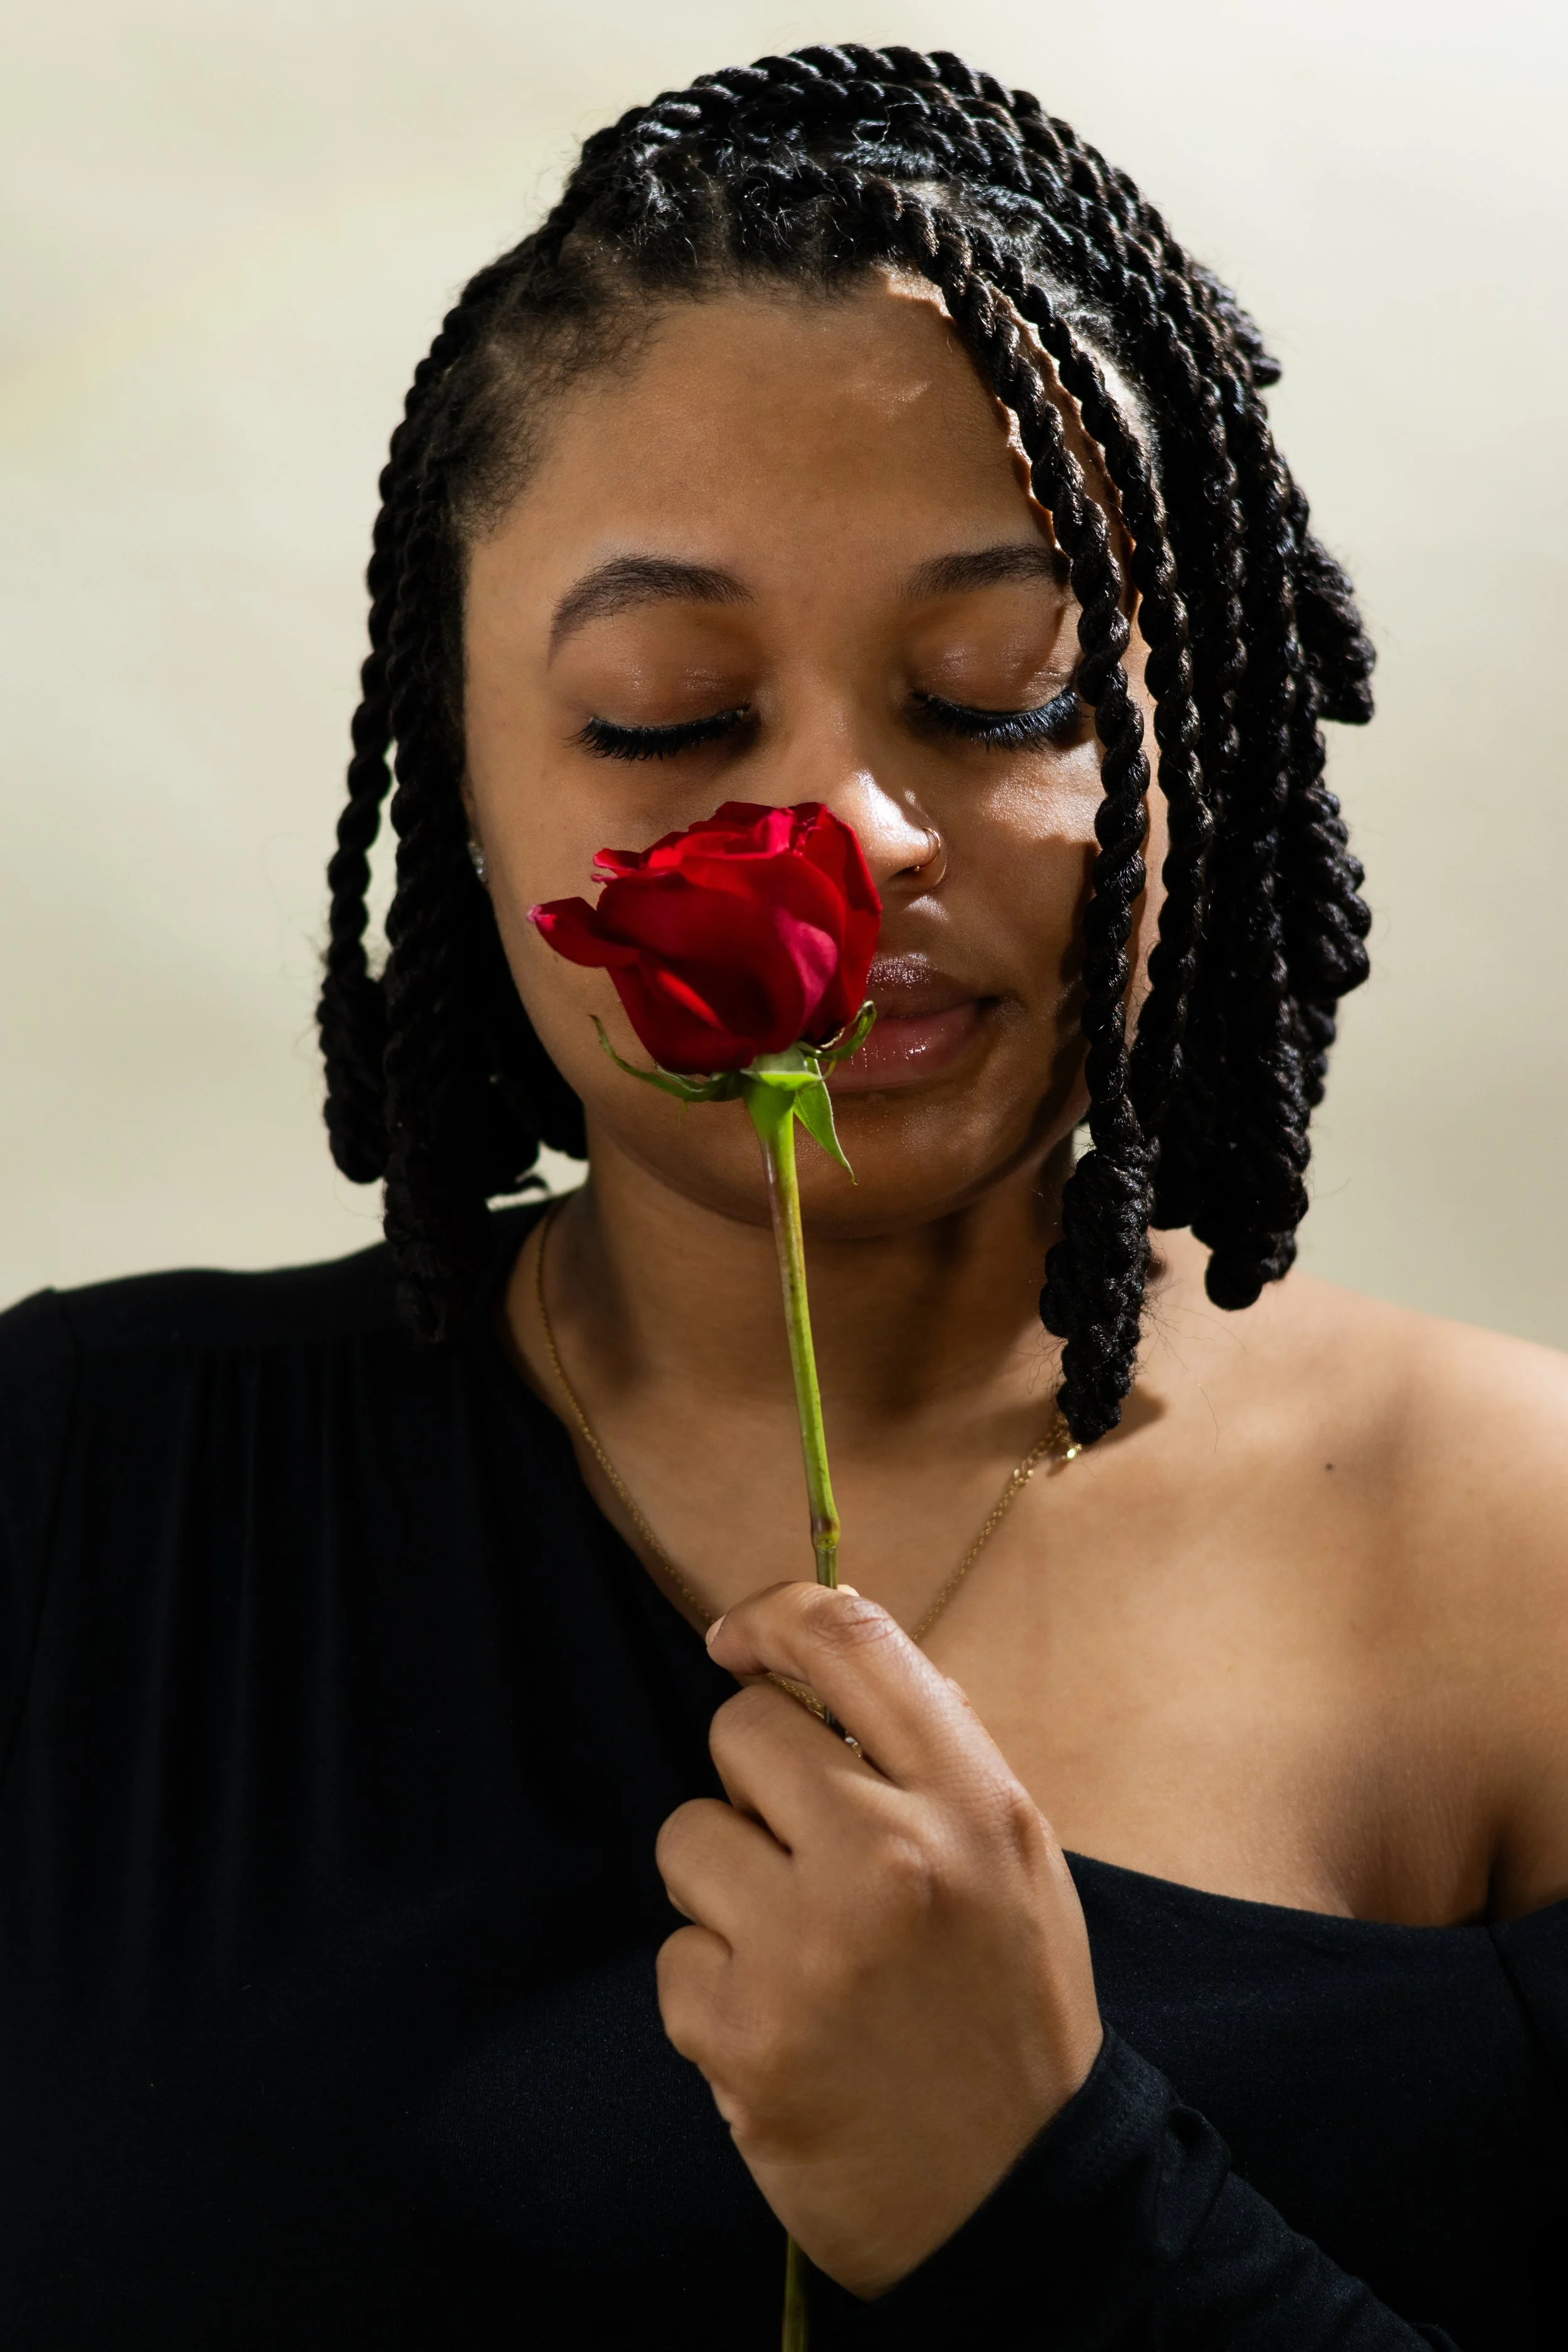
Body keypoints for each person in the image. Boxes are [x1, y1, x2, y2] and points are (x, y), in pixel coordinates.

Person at [2, 42, 1564, 2351]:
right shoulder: (73, 1491)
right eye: (661, 714)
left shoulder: (1524, 1568)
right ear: (464, 782)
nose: (847, 825)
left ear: (1189, 732)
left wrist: (1040, 2196)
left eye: (997, 691)